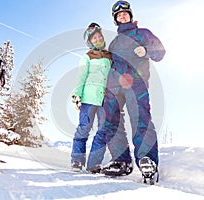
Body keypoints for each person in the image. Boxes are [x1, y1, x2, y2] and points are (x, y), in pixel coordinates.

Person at [101, 0, 166, 183]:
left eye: (125, 13)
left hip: (136, 82)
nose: (122, 15)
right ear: (115, 19)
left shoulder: (142, 33)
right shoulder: (113, 44)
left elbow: (160, 52)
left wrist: (146, 50)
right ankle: (121, 161)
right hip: (114, 86)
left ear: (130, 15)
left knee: (140, 118)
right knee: (109, 120)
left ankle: (148, 161)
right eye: (118, 14)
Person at [70, 23, 112, 173]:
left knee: (103, 131)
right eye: (94, 38)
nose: (98, 39)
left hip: (105, 100)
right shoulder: (87, 57)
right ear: (90, 42)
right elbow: (81, 77)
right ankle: (77, 160)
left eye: (99, 36)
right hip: (88, 98)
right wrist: (77, 94)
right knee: (83, 129)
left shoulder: (109, 56)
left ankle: (94, 164)